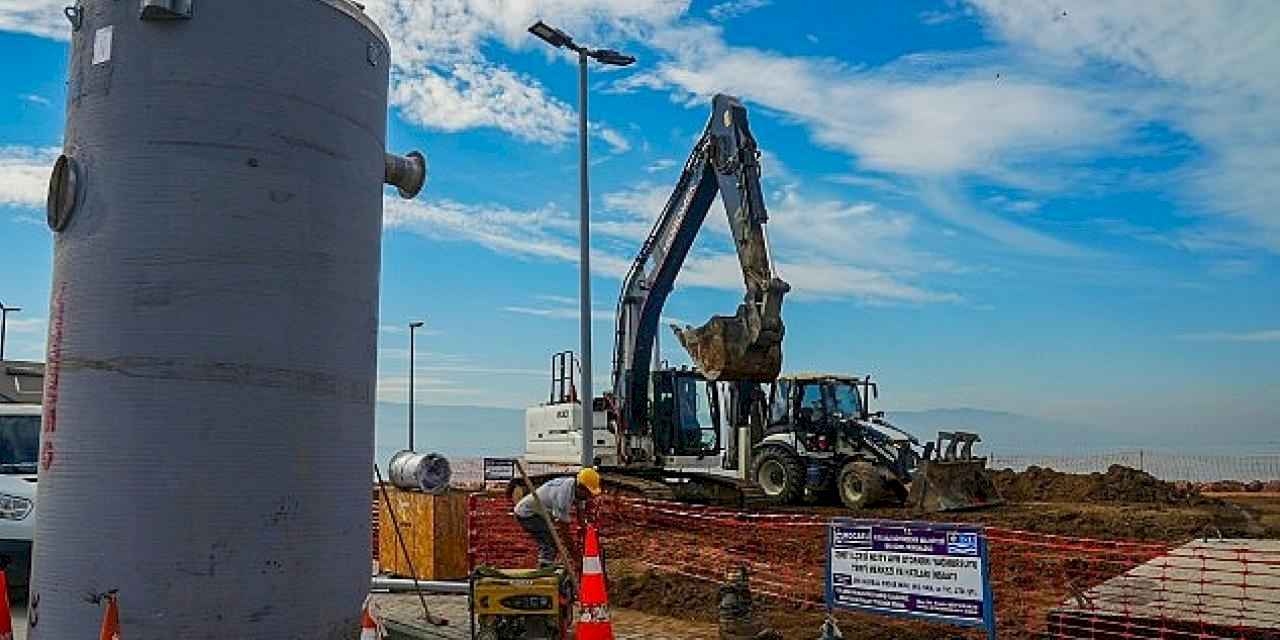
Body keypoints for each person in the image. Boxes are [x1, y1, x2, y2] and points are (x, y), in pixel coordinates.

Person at [513, 467, 602, 567]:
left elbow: (580, 509)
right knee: (550, 543)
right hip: (527, 514)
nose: (589, 496)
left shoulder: (575, 487)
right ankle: (544, 570)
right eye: (588, 493)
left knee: (552, 541)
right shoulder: (563, 496)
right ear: (581, 487)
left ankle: (547, 564)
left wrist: (585, 530)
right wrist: (576, 558)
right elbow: (564, 531)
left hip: (542, 512)